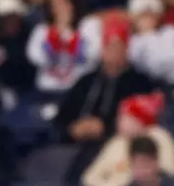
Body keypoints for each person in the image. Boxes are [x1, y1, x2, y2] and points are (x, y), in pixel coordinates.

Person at [55, 94, 174, 186]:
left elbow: (166, 173)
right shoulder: (117, 142)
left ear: (138, 119)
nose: (119, 121)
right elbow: (91, 176)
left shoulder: (158, 137)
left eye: (124, 117)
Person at [55, 33, 155, 171]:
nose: (114, 54)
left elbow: (138, 120)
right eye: (110, 48)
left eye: (118, 48)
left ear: (126, 51)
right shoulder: (86, 81)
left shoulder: (141, 83)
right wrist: (73, 128)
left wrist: (105, 127)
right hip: (75, 145)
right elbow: (62, 116)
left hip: (116, 145)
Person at [26, 0, 101, 92]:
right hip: (48, 88)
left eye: (62, 3)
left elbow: (94, 54)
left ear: (72, 3)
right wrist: (57, 35)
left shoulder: (89, 24)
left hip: (80, 88)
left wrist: (70, 33)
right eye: (54, 5)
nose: (59, 8)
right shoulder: (42, 29)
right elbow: (35, 57)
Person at [127, 0, 174, 86]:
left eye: (151, 15)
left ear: (158, 16)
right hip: (146, 87)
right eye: (142, 16)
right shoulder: (132, 41)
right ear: (134, 19)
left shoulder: (171, 32)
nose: (147, 20)